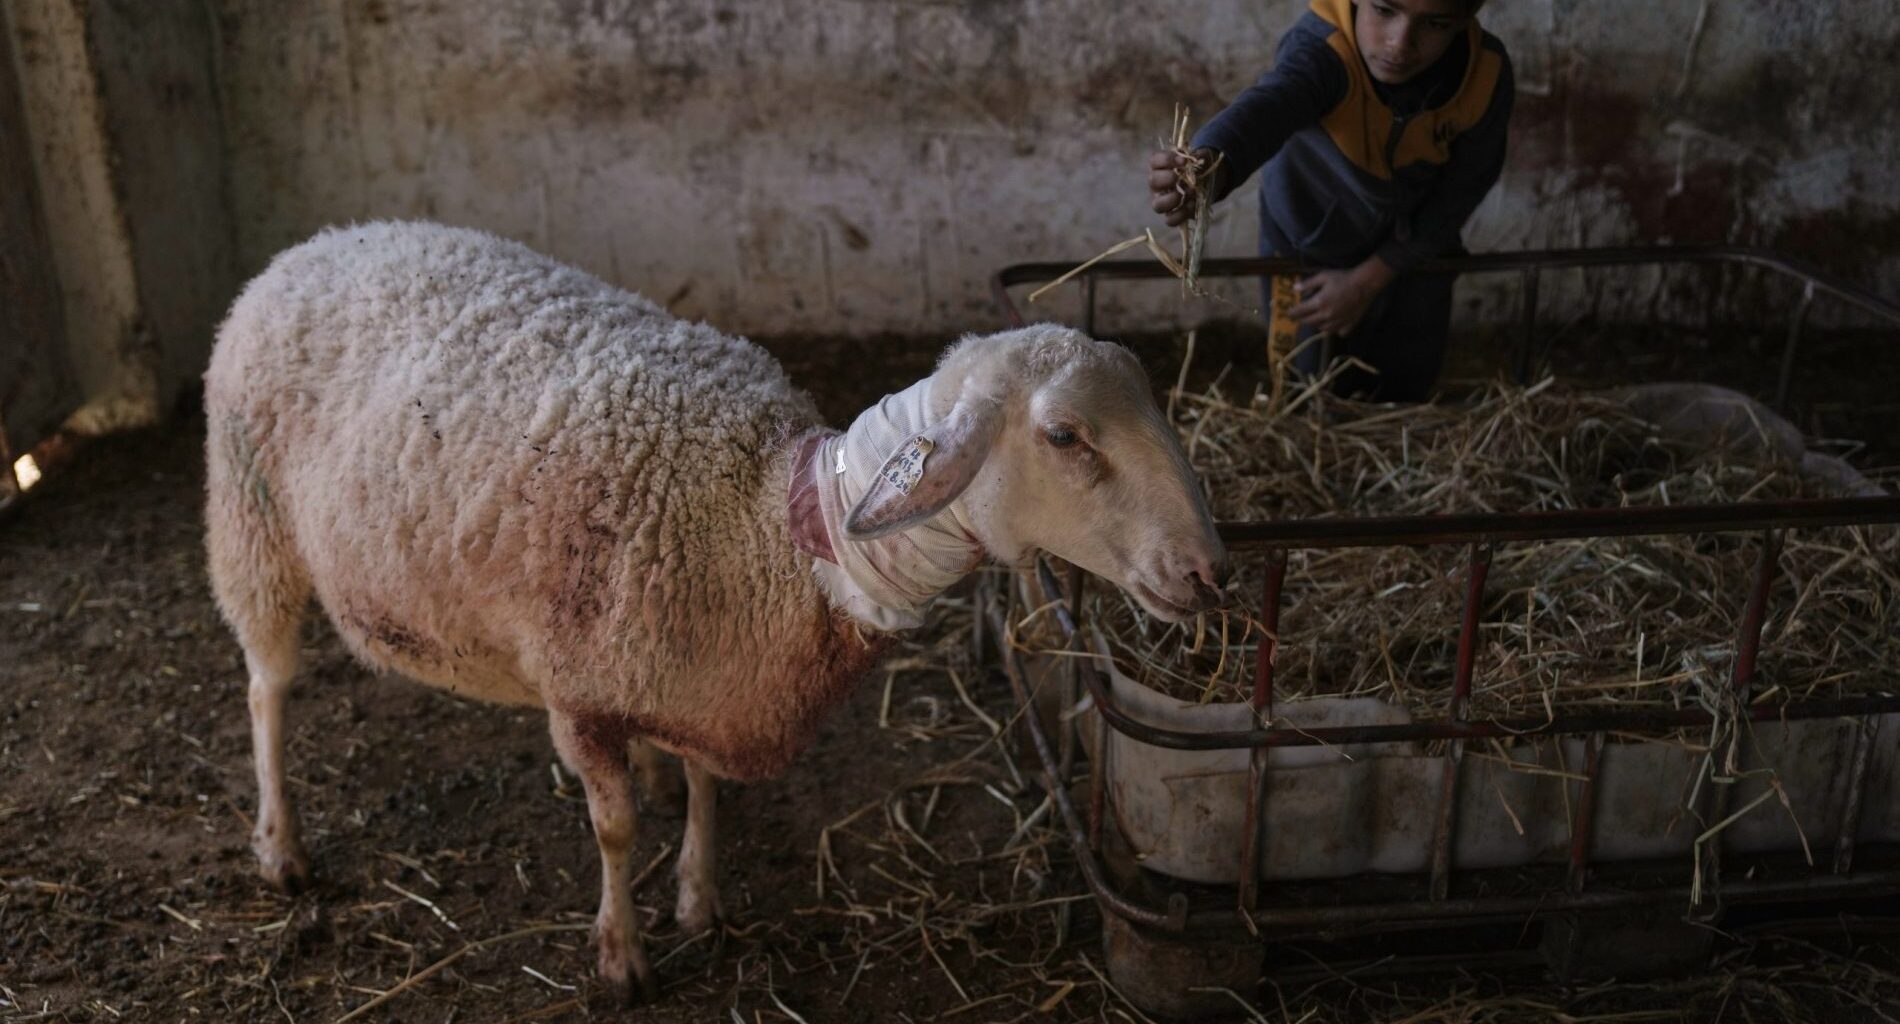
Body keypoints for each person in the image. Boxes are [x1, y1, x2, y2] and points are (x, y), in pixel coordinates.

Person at [1151, 0, 1514, 401]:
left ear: (1465, 18)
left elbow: (1463, 188)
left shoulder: (1484, 75)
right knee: (1303, 380)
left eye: (1436, 22)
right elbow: (1271, 105)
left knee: (1405, 379)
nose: (1399, 43)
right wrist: (1210, 164)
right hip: (1308, 239)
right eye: (1384, 9)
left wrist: (1369, 279)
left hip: (1416, 241)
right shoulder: (1324, 49)